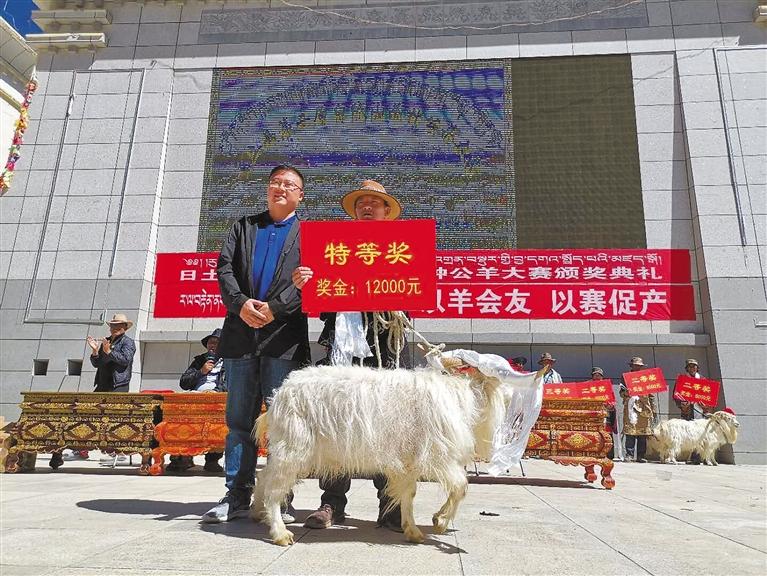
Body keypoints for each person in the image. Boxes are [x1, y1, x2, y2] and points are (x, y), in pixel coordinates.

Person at [291, 179, 407, 532]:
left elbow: (410, 295)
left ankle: (390, 504)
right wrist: (307, 282)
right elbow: (321, 302)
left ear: (386, 211)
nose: (367, 207)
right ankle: (332, 502)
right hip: (342, 352)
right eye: (361, 203)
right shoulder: (333, 248)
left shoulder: (403, 248)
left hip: (384, 352)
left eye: (374, 202)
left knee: (387, 427)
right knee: (336, 424)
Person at [202, 165, 310, 524]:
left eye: (289, 184)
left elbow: (310, 284)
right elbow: (224, 270)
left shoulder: (309, 235)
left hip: (284, 340)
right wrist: (241, 305)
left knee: (284, 424)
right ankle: (236, 495)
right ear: (267, 189)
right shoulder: (243, 226)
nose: (281, 188)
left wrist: (274, 309)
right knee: (239, 422)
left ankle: (281, 498)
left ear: (300, 195)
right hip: (241, 335)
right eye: (276, 182)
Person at [170, 328, 226, 474]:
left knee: (217, 425)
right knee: (179, 418)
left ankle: (212, 459)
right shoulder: (199, 360)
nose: (212, 345)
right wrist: (201, 372)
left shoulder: (229, 362)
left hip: (217, 399)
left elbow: (230, 383)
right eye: (210, 342)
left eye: (216, 343)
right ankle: (182, 456)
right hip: (196, 397)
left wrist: (217, 392)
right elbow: (184, 382)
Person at [619, 356, 656, 463]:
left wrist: (653, 408)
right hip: (631, 406)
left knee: (643, 433)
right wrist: (626, 393)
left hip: (644, 406)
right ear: (631, 366)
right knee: (630, 431)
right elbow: (621, 392)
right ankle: (629, 454)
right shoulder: (625, 377)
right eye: (635, 365)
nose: (637, 367)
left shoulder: (646, 378)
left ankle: (641, 455)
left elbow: (651, 394)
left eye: (639, 366)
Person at [673, 358, 703, 464]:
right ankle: (688, 456)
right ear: (687, 368)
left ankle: (697, 457)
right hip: (688, 411)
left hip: (700, 411)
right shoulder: (682, 380)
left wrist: (706, 405)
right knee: (688, 434)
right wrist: (682, 404)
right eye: (690, 366)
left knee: (699, 434)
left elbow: (708, 396)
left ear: (697, 368)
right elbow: (676, 395)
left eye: (694, 366)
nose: (692, 368)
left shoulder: (702, 379)